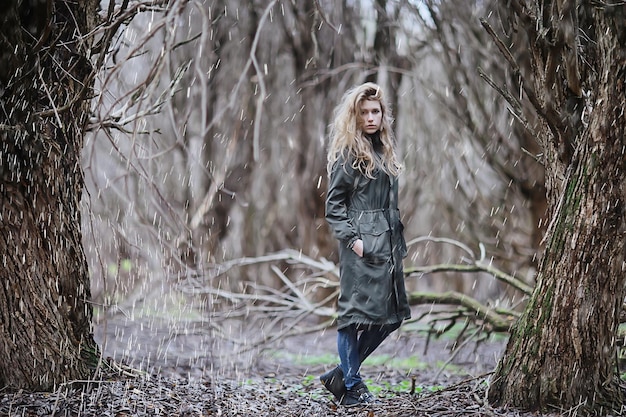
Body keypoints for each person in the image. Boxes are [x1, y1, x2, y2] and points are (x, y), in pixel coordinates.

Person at [320, 82, 411, 406]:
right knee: (352, 316)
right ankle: (353, 386)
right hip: (360, 247)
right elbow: (334, 207)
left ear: (383, 115)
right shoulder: (348, 155)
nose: (371, 118)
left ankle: (342, 374)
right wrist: (354, 240)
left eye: (376, 111)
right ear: (355, 117)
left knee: (394, 315)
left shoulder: (383, 151)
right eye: (364, 112)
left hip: (387, 245)